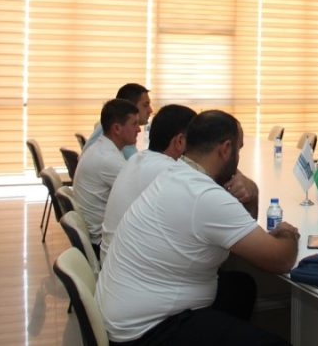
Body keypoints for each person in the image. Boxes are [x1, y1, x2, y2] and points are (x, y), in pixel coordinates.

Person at [96, 110, 297, 345]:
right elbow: (281, 259)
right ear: (225, 149)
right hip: (146, 332)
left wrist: (251, 197)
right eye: (239, 149)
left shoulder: (174, 173)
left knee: (240, 287)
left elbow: (240, 230)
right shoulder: (203, 195)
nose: (238, 158)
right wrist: (288, 232)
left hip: (125, 310)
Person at [100, 104, 197, 264]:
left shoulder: (137, 159)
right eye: (197, 142)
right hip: (128, 267)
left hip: (114, 260)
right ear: (180, 141)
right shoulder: (171, 172)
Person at [73, 98, 140, 257]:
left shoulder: (102, 148)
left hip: (94, 234)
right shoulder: (108, 159)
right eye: (134, 124)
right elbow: (142, 195)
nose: (139, 129)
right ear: (117, 128)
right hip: (100, 243)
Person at [84, 83, 154, 159]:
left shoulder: (107, 124)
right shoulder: (121, 131)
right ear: (129, 106)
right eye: (145, 105)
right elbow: (135, 162)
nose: (150, 110)